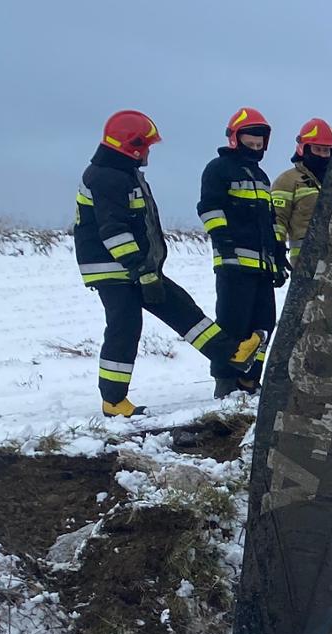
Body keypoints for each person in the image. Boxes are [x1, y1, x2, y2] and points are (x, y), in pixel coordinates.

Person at [75, 110, 262, 417]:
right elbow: (114, 231)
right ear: (130, 145)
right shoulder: (107, 177)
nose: (148, 151)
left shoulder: (123, 173)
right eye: (145, 145)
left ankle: (234, 353)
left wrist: (145, 269)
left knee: (182, 309)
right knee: (125, 326)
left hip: (136, 268)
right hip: (114, 270)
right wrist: (141, 269)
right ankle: (113, 400)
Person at [197, 107, 290, 398]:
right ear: (235, 138)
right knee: (232, 324)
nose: (256, 147)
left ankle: (251, 379)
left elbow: (270, 220)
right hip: (233, 263)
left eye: (260, 143)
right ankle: (225, 382)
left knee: (265, 323)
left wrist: (277, 255)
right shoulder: (218, 169)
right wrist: (223, 241)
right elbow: (209, 208)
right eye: (250, 142)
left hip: (262, 266)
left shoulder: (261, 177)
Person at [272, 118, 332, 265]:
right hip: (306, 263)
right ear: (304, 149)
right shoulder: (287, 181)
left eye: (326, 150)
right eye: (317, 149)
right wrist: (277, 251)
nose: (322, 155)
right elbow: (277, 219)